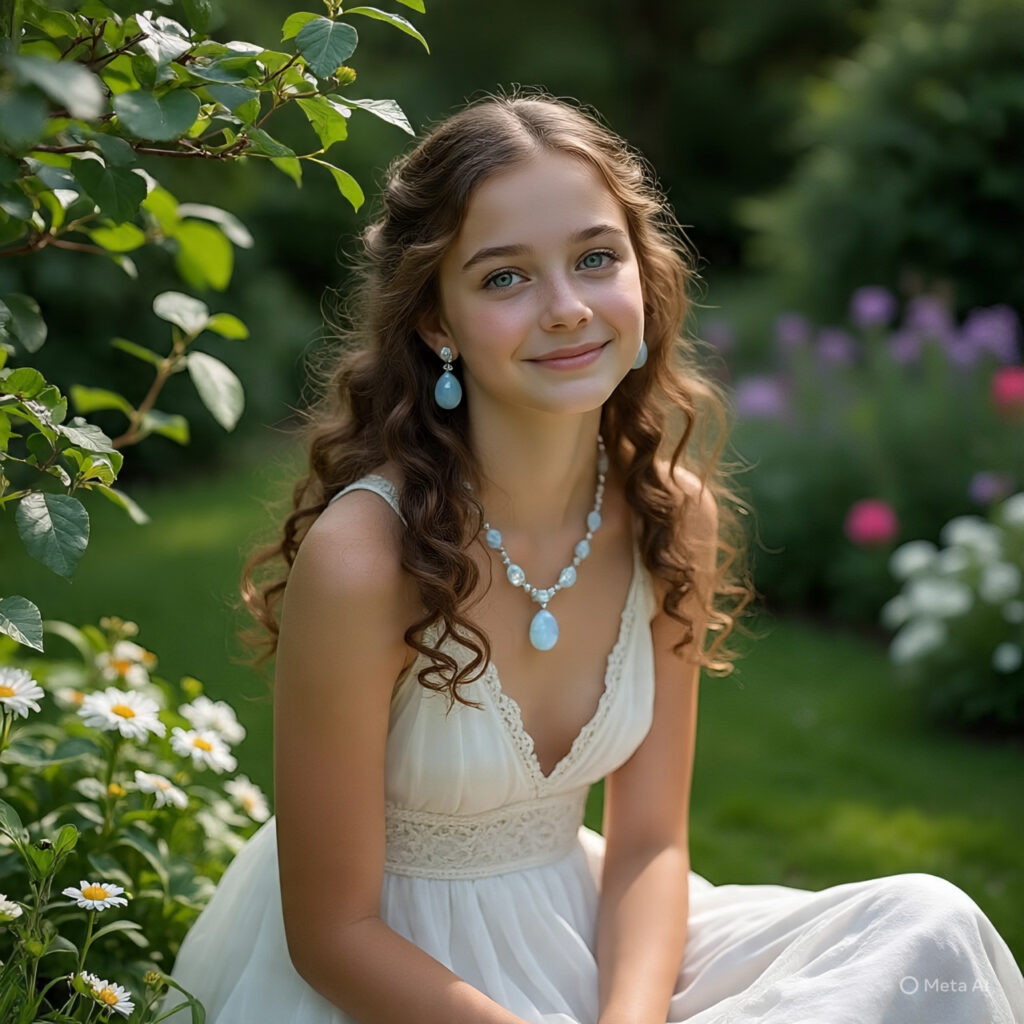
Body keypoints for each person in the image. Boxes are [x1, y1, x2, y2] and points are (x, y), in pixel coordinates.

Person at [159, 89, 1024, 1024]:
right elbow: (332, 935)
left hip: (595, 934)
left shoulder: (668, 515)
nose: (568, 309)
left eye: (595, 258)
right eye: (505, 278)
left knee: (927, 924)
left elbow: (649, 846)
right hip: (393, 978)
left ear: (642, 275)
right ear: (436, 323)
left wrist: (629, 1018)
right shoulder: (365, 558)